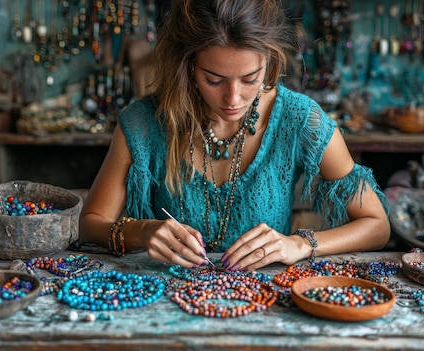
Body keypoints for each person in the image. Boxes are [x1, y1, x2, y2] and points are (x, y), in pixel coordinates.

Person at [79, 0, 390, 271]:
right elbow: (90, 224)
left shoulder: (299, 119)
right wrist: (143, 232)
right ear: (188, 66)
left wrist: (301, 244)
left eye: (250, 79)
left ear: (269, 61)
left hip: (265, 307)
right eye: (214, 80)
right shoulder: (144, 122)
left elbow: (377, 226)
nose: (233, 99)